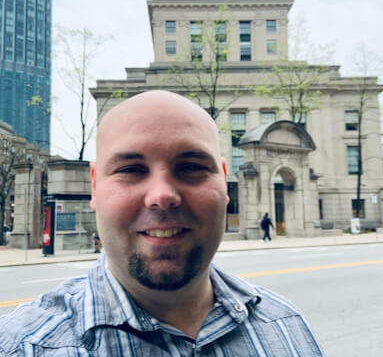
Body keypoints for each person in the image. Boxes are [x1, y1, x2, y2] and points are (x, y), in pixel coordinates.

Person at [0, 91, 325, 356]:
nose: (163, 196)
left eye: (192, 166)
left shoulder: (287, 325)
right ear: (95, 186)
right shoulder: (19, 348)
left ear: (225, 181)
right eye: (131, 169)